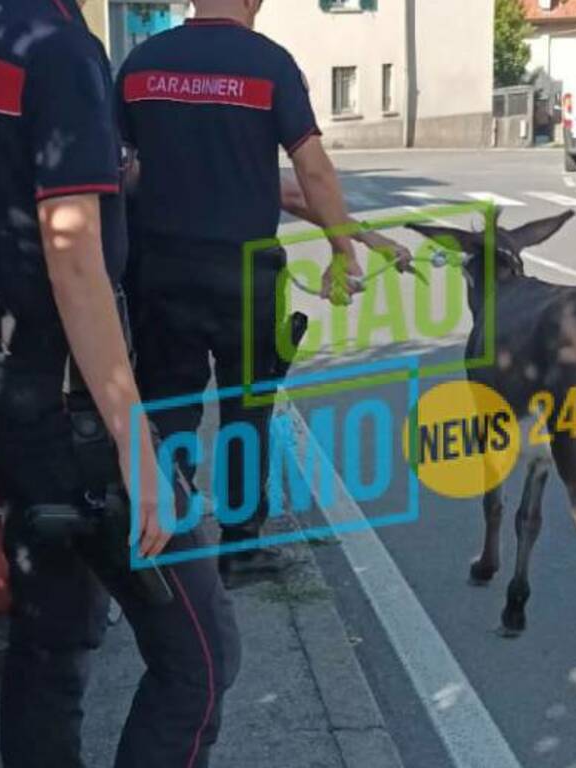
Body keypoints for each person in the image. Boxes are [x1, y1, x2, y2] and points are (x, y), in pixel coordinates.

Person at [0, 1, 239, 766]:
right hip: (73, 412)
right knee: (199, 659)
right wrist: (137, 447)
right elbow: (73, 256)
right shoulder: (62, 53)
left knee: (52, 632)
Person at [117, 0, 412, 586]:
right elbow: (313, 174)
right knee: (245, 409)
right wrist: (344, 253)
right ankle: (238, 548)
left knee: (166, 405)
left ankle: (169, 539)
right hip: (244, 276)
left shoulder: (141, 64)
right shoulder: (269, 65)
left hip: (158, 272)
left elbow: (115, 170)